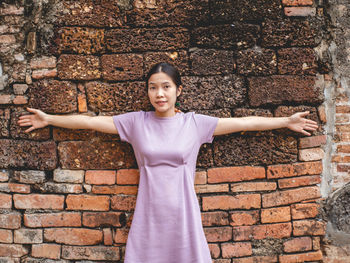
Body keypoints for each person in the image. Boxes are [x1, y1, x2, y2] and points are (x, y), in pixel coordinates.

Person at [18, 62, 318, 263]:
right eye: (152, 87)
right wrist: (49, 119)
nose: (159, 93)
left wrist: (285, 121)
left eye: (165, 86)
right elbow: (91, 122)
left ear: (178, 90)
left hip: (183, 214)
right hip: (149, 215)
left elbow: (244, 123)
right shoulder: (136, 123)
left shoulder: (195, 124)